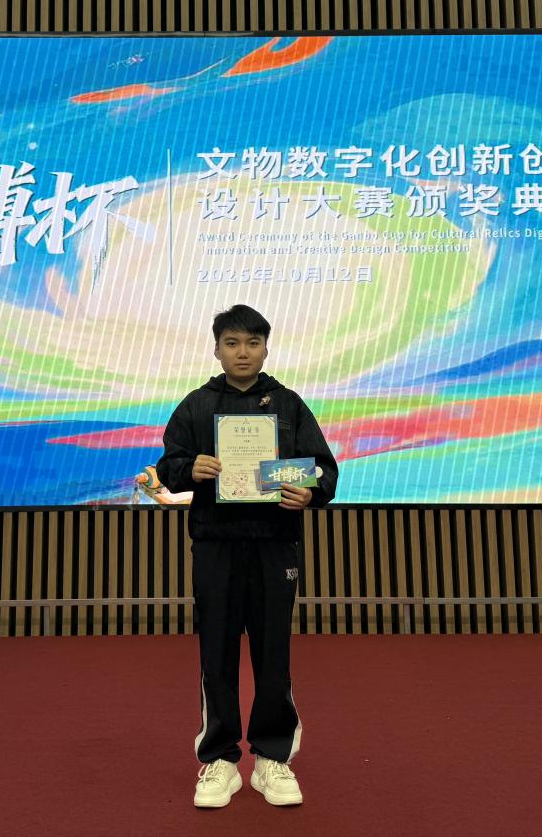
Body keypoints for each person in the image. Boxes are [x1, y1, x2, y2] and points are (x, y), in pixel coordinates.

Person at [156, 304, 338, 809]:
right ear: (217, 350)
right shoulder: (197, 405)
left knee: (272, 653)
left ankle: (271, 759)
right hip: (215, 544)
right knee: (216, 653)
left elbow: (322, 470)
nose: (243, 353)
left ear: (266, 349)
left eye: (253, 343)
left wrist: (308, 491)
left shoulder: (289, 404)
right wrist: (191, 469)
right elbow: (169, 466)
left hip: (274, 544)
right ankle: (219, 760)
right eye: (232, 343)